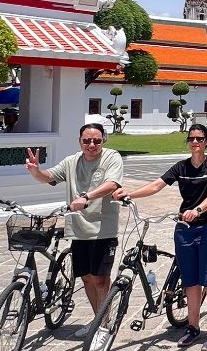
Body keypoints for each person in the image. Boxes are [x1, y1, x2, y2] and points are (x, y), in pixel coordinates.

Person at [112, 125, 207, 350]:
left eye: (200, 139)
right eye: (191, 138)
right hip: (184, 228)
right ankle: (193, 327)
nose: (195, 142)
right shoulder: (181, 167)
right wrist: (129, 194)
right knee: (191, 281)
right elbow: (157, 185)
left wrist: (199, 210)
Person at [24, 123, 124, 338]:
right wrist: (36, 171)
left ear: (103, 140)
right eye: (86, 140)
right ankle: (98, 319)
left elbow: (112, 184)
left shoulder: (111, 157)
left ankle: (104, 325)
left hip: (103, 228)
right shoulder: (72, 161)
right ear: (79, 141)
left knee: (100, 279)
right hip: (78, 229)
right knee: (87, 278)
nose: (91, 144)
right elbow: (48, 177)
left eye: (96, 140)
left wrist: (86, 197)